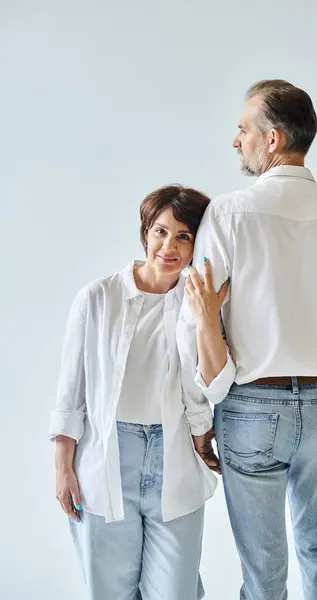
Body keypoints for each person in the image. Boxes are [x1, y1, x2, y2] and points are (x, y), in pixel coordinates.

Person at [178, 79, 317, 600]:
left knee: (264, 571)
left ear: (272, 140)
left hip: (249, 407)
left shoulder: (227, 214)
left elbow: (194, 318)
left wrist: (201, 417)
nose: (235, 140)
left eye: (243, 129)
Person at [49, 184, 226, 600]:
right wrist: (63, 468)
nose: (170, 246)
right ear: (145, 232)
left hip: (175, 455)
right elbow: (71, 394)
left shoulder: (198, 301)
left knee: (176, 593)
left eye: (184, 236)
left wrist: (207, 320)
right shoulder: (98, 298)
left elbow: (215, 381)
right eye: (161, 231)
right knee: (110, 591)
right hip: (107, 458)